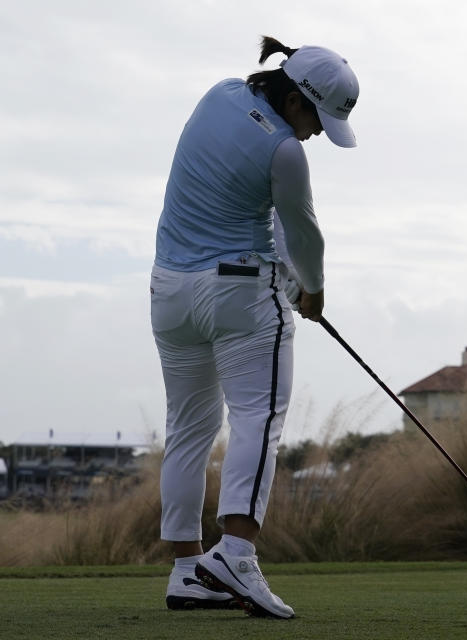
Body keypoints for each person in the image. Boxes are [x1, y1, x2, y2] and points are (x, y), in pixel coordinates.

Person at [151, 36, 359, 618]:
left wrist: (288, 277)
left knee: (189, 430)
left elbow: (244, 208)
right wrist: (311, 289)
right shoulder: (286, 152)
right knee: (258, 420)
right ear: (296, 101)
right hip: (239, 297)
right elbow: (303, 233)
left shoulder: (218, 94)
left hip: (169, 291)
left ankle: (188, 570)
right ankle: (236, 554)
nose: (318, 132)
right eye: (319, 118)